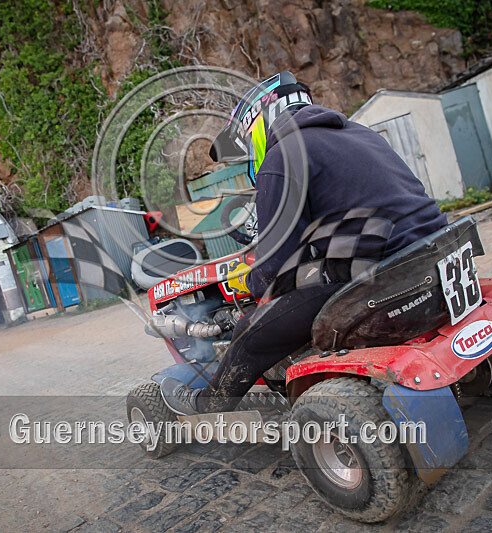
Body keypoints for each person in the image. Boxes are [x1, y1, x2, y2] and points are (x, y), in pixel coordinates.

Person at [160, 71, 447, 415]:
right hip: (430, 258)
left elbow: (273, 274)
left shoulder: (281, 157)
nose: (251, 157)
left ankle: (210, 403)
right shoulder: (361, 133)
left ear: (259, 124)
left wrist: (249, 282)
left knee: (251, 330)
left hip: (378, 282)